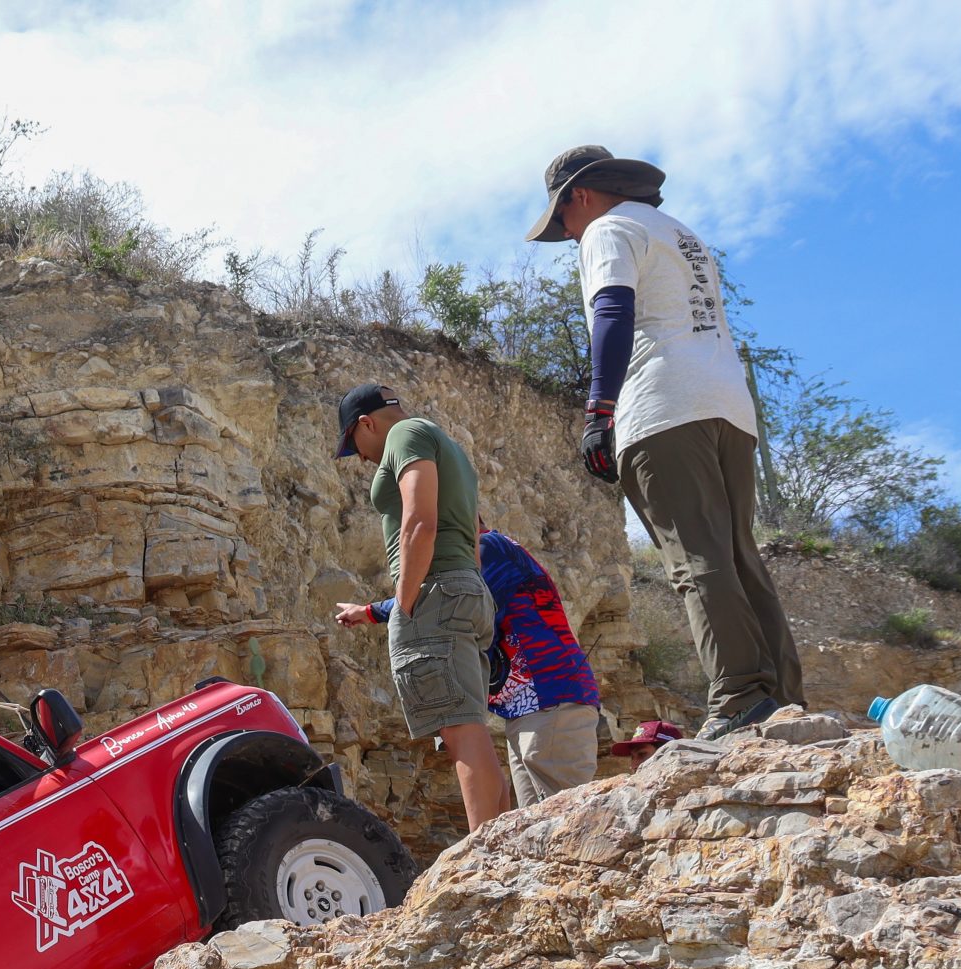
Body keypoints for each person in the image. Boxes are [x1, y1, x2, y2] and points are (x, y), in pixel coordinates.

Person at [527, 144, 802, 740]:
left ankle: (738, 697)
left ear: (580, 196)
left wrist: (600, 409)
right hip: (729, 407)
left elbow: (612, 309)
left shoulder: (608, 229)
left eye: (563, 221)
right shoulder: (682, 235)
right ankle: (781, 697)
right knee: (738, 556)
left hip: (662, 407)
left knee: (696, 560)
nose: (570, 236)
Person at [333, 382, 510, 832]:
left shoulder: (405, 435)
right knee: (471, 729)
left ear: (365, 424)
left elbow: (419, 521)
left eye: (355, 447)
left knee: (458, 730)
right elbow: (474, 535)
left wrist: (407, 603)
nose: (363, 461)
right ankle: (506, 840)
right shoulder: (448, 447)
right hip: (467, 590)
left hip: (434, 592)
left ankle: (487, 854)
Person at [338, 529, 603, 807]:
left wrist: (370, 612)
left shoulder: (487, 548)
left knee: (570, 816)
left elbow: (440, 599)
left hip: (553, 699)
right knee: (538, 823)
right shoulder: (485, 551)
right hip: (530, 709)